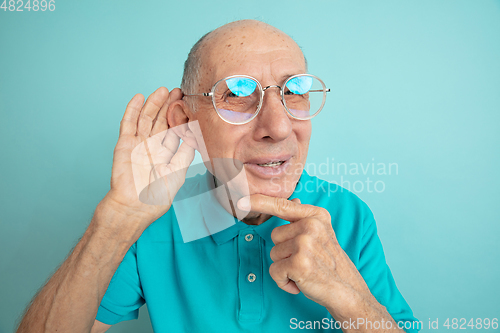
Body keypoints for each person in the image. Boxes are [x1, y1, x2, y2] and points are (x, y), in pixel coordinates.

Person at [16, 20, 420, 332]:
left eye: (293, 91)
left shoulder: (347, 215)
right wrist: (117, 220)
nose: (278, 127)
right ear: (185, 121)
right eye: (238, 94)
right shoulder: (154, 217)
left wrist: (349, 298)